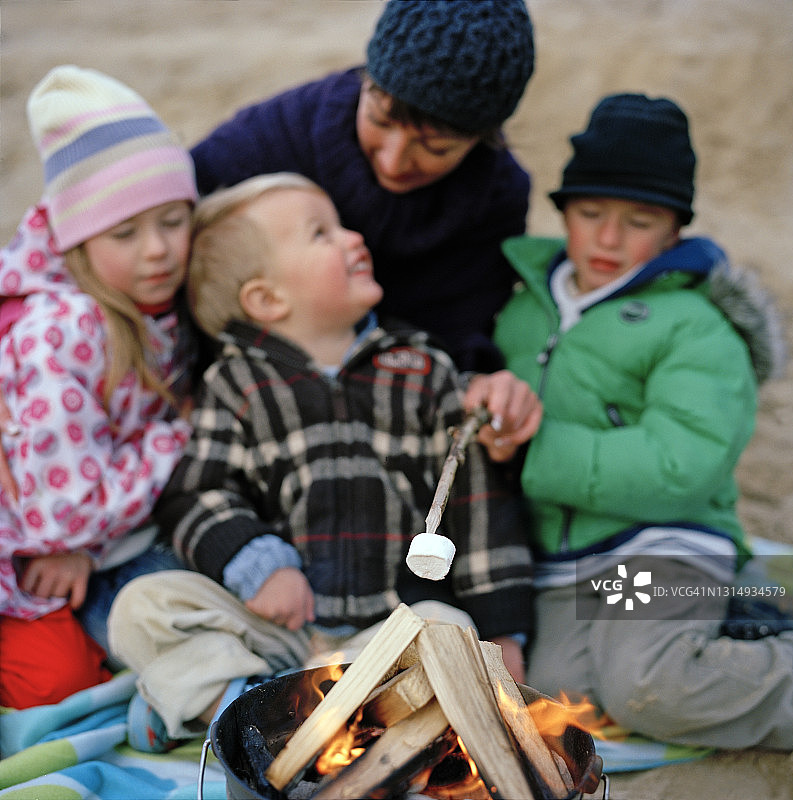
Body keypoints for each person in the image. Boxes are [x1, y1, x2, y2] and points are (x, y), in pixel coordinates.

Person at [108, 173, 536, 752]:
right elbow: (194, 493)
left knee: (448, 629)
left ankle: (325, 736)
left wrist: (503, 626)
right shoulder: (238, 382)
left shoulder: (420, 370)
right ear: (267, 299)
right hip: (279, 637)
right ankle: (243, 715)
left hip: (387, 631)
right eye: (321, 234)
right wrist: (253, 560)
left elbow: (475, 499)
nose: (353, 237)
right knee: (143, 607)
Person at [492, 93, 793, 750]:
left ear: (673, 232)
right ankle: (741, 619)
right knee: (560, 697)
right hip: (576, 567)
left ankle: (780, 664)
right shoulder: (519, 313)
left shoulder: (693, 326)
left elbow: (680, 461)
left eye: (638, 220)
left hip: (664, 547)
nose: (607, 237)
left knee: (649, 684)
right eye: (590, 213)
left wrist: (534, 450)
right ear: (563, 214)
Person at [189, 0, 540, 456]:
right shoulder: (271, 138)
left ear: (482, 139)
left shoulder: (495, 195)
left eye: (435, 147)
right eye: (379, 120)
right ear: (367, 80)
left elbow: (460, 333)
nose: (394, 160)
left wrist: (481, 390)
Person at [0, 65, 198, 709]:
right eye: (125, 233)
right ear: (76, 239)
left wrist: (82, 542)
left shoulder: (145, 303)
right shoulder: (66, 330)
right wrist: (180, 431)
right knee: (59, 683)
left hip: (77, 532)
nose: (158, 252)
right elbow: (66, 511)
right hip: (31, 546)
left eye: (174, 221)